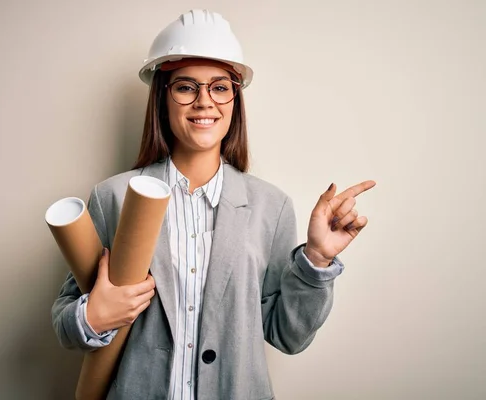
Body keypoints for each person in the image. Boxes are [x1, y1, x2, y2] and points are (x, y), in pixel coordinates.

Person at [52, 9, 375, 400]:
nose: (205, 102)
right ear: (162, 98)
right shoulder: (113, 197)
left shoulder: (271, 207)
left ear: (235, 100)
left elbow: (287, 336)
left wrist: (317, 261)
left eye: (220, 87)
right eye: (186, 87)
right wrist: (92, 317)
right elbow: (66, 321)